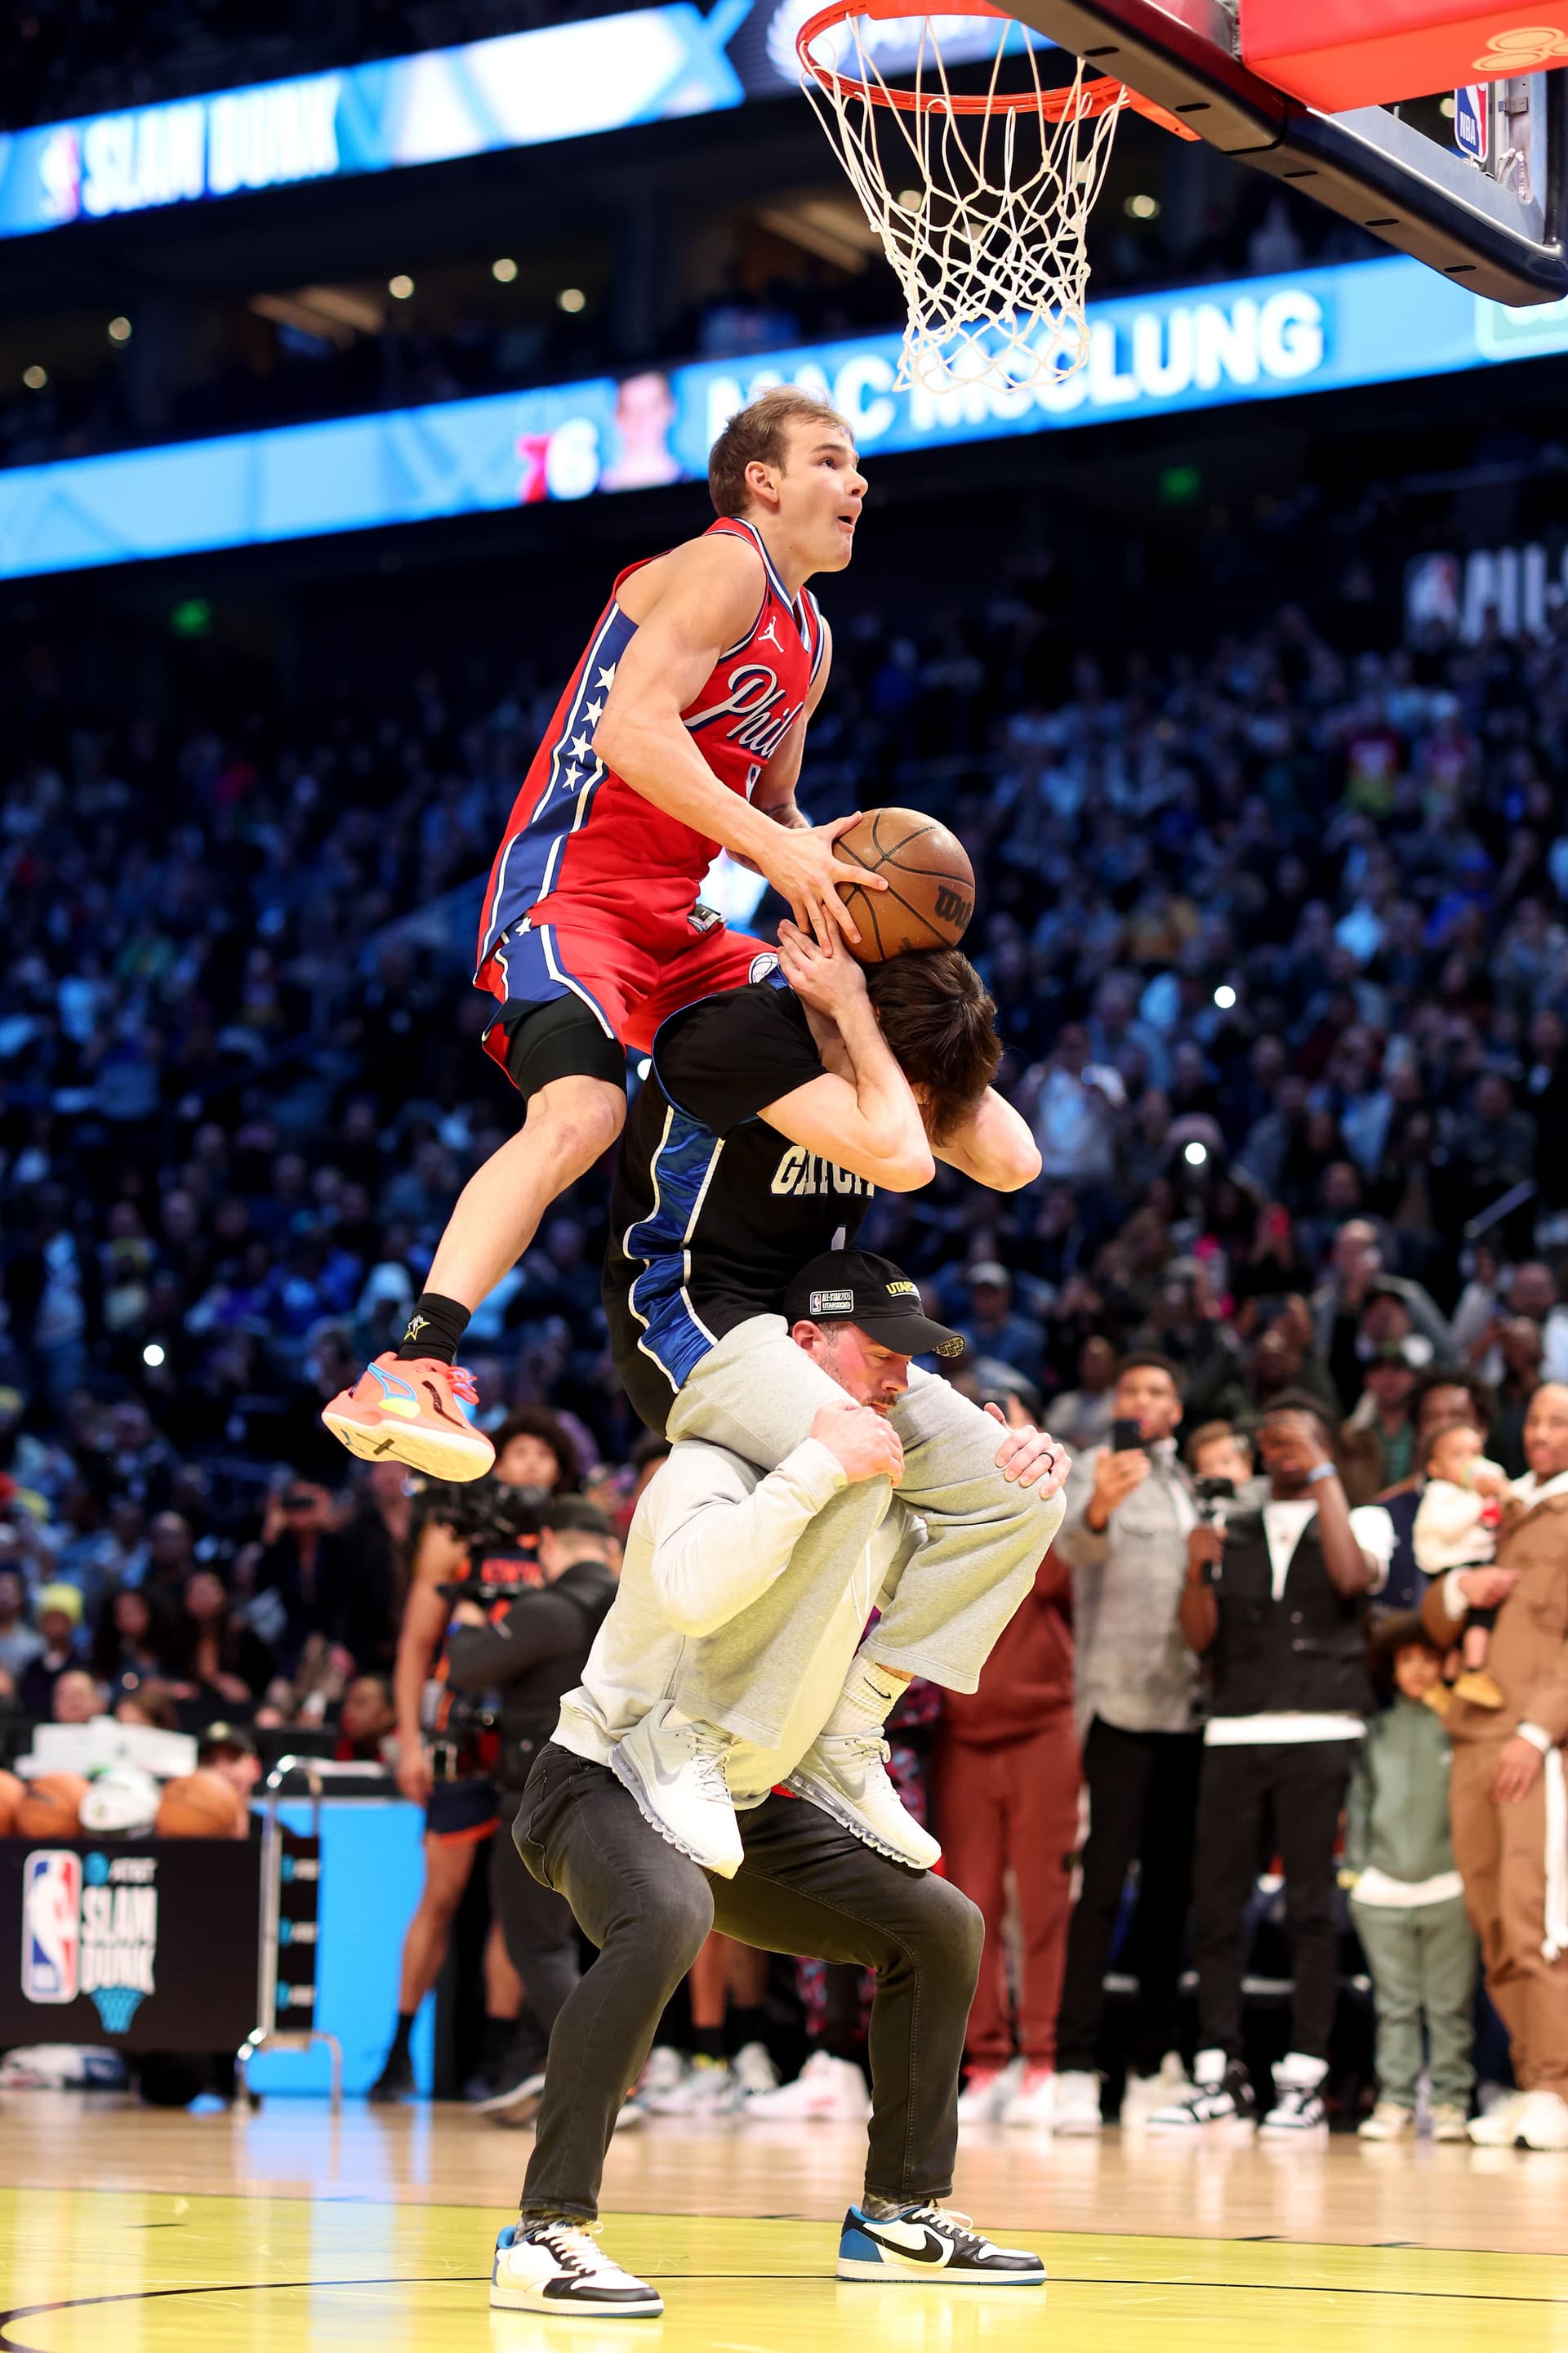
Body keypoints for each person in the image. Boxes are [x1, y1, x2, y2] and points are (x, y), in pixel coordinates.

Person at [323, 388, 888, 1482]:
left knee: (835, 1014)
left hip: (679, 919)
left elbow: (774, 813)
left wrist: (836, 882)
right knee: (581, 1109)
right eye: (830, 459)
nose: (857, 481)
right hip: (567, 894)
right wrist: (780, 860)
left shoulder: (810, 637)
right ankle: (411, 1363)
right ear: (762, 481)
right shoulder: (723, 563)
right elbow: (632, 734)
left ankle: (819, 1275)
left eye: (858, 465)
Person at [489, 1259, 1058, 2318]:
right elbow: (700, 1591)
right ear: (804, 1348)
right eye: (878, 1354)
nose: (897, 1380)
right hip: (604, 1777)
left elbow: (974, 1540)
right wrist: (813, 1463)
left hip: (739, 1797)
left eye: (908, 1362)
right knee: (667, 1911)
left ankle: (901, 2213)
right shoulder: (706, 1462)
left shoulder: (877, 1491)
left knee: (941, 1926)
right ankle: (546, 2231)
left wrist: (1016, 1465)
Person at [595, 931, 1061, 1878]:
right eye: (911, 1079)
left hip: (821, 1327)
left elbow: (1015, 1162)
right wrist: (853, 1013)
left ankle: (849, 1729)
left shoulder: (881, 1066)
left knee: (1022, 1491)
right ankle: (698, 1737)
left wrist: (916, 1035)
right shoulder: (735, 1035)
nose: (924, 1107)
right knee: (855, 1452)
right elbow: (906, 1160)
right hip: (687, 1316)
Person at [1152, 1397, 1395, 2138]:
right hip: (1233, 1727)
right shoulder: (1232, 1521)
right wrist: (1197, 1569)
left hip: (1322, 1726)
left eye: (1298, 1438)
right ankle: (1217, 2069)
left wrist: (1322, 1471)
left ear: (1324, 1445)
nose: (1281, 1449)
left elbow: (1353, 1578)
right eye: (1272, 1439)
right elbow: (1200, 1638)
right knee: (1219, 1903)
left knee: (1311, 1907)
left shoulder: (1363, 1519)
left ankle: (1306, 2075)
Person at [368, 1412, 575, 2103]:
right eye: (520, 1451)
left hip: (530, 1735)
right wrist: (408, 1734)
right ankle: (396, 2050)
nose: (532, 1464)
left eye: (545, 1454)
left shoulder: (562, 1540)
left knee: (516, 1903)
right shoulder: (453, 1531)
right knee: (442, 1893)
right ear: (496, 1461)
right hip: (459, 1732)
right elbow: (414, 1644)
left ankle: (499, 2061)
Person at [1051, 1356, 1203, 2135]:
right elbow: (1072, 1550)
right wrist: (1103, 1504)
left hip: (1189, 1708)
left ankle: (1152, 2062)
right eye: (1132, 1391)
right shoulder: (1092, 1466)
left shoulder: (1192, 1484)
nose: (1143, 1402)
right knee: (1101, 1888)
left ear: (1177, 1407)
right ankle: (1075, 2065)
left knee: (1171, 1895)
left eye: (1157, 1392)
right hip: (1114, 1704)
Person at [1420, 1380, 1568, 2151]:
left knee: (1532, 1916)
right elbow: (1434, 1610)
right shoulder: (1499, 1507)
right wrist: (1456, 1587)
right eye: (1535, 1418)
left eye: (1559, 1420)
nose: (1541, 1431)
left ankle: (1556, 2083)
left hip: (1531, 1744)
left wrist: (1539, 1734)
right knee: (1487, 1916)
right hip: (1471, 1729)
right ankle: (1529, 2075)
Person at [442, 1496, 620, 2125]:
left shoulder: (550, 1609)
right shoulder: (630, 1607)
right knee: (578, 1944)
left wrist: (466, 1610)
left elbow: (465, 1666)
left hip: (542, 1798)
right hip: (618, 1796)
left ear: (548, 1543)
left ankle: (609, 2082)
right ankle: (589, 2074)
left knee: (536, 1947)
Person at [937, 1530, 1076, 2128]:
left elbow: (1059, 1583)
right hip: (961, 1734)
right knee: (972, 1902)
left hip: (1044, 1725)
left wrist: (1030, 1500)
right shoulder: (941, 1517)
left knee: (1044, 1901)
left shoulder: (1039, 1510)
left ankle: (1043, 2058)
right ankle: (987, 2061)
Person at [1346, 1614, 1476, 2143]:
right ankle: (1396, 2098)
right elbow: (1359, 1805)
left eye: (1428, 1658)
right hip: (1382, 1890)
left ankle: (1450, 2100)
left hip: (1449, 1885)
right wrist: (1356, 1874)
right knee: (1394, 2004)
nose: (1418, 1670)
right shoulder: (1375, 1732)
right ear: (1391, 1667)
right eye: (1407, 1660)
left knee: (1449, 2006)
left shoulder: (1461, 1726)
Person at [1413, 1418, 1510, 1709]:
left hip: (1467, 1564)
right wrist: (1478, 1500)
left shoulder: (1470, 1491)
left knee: (1462, 1632)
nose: (1471, 1462)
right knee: (1481, 1617)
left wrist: (1496, 1487)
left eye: (1476, 1452)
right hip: (1451, 1567)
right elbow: (1445, 1527)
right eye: (1458, 1455)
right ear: (1435, 1468)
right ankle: (1475, 1671)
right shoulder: (1440, 1494)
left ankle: (1446, 1682)